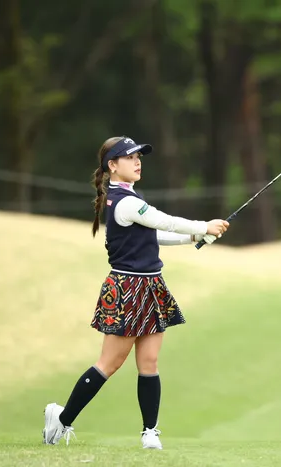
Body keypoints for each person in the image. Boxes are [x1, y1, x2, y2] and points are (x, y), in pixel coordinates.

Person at [42, 136, 229, 449]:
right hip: (128, 288)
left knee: (149, 362)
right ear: (113, 166)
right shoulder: (126, 202)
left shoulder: (129, 197)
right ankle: (61, 419)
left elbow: (152, 234)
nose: (137, 161)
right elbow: (164, 221)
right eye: (129, 157)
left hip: (150, 286)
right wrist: (203, 226)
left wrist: (192, 238)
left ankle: (149, 432)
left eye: (138, 156)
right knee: (110, 363)